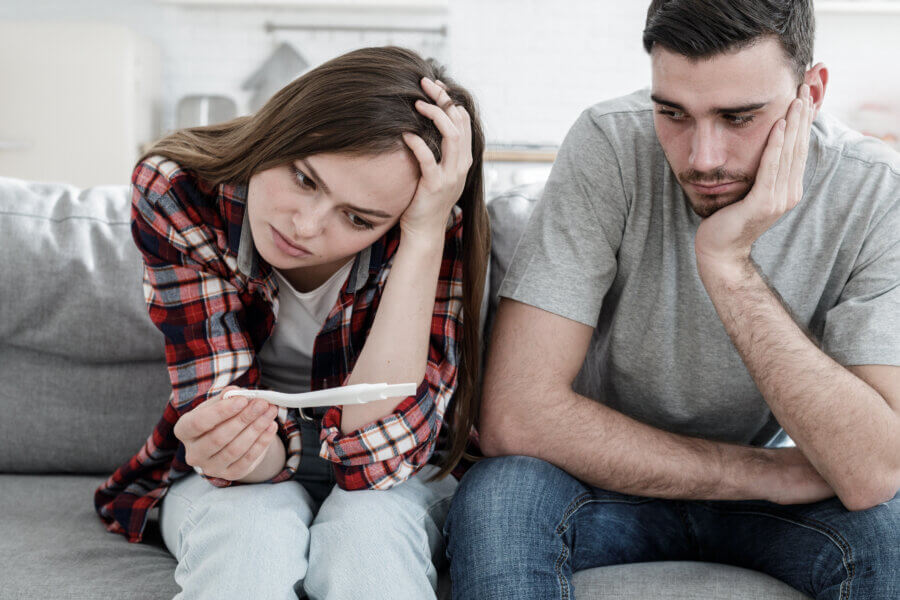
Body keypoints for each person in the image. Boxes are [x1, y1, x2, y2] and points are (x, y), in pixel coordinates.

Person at [445, 1, 899, 599]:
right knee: (501, 499)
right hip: (596, 479)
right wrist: (754, 472)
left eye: (739, 117)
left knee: (889, 532)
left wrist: (728, 265)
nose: (702, 158)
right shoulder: (610, 144)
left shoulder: (875, 191)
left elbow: (871, 472)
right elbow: (517, 416)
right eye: (673, 113)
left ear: (809, 94)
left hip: (766, 510)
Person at [93, 46, 489, 600]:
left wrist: (423, 235)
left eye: (358, 219)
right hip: (246, 467)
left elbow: (378, 460)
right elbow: (223, 412)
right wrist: (241, 452)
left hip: (396, 475)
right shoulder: (179, 191)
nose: (305, 226)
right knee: (250, 535)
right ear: (281, 128)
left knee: (367, 537)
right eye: (304, 178)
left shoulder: (436, 226)